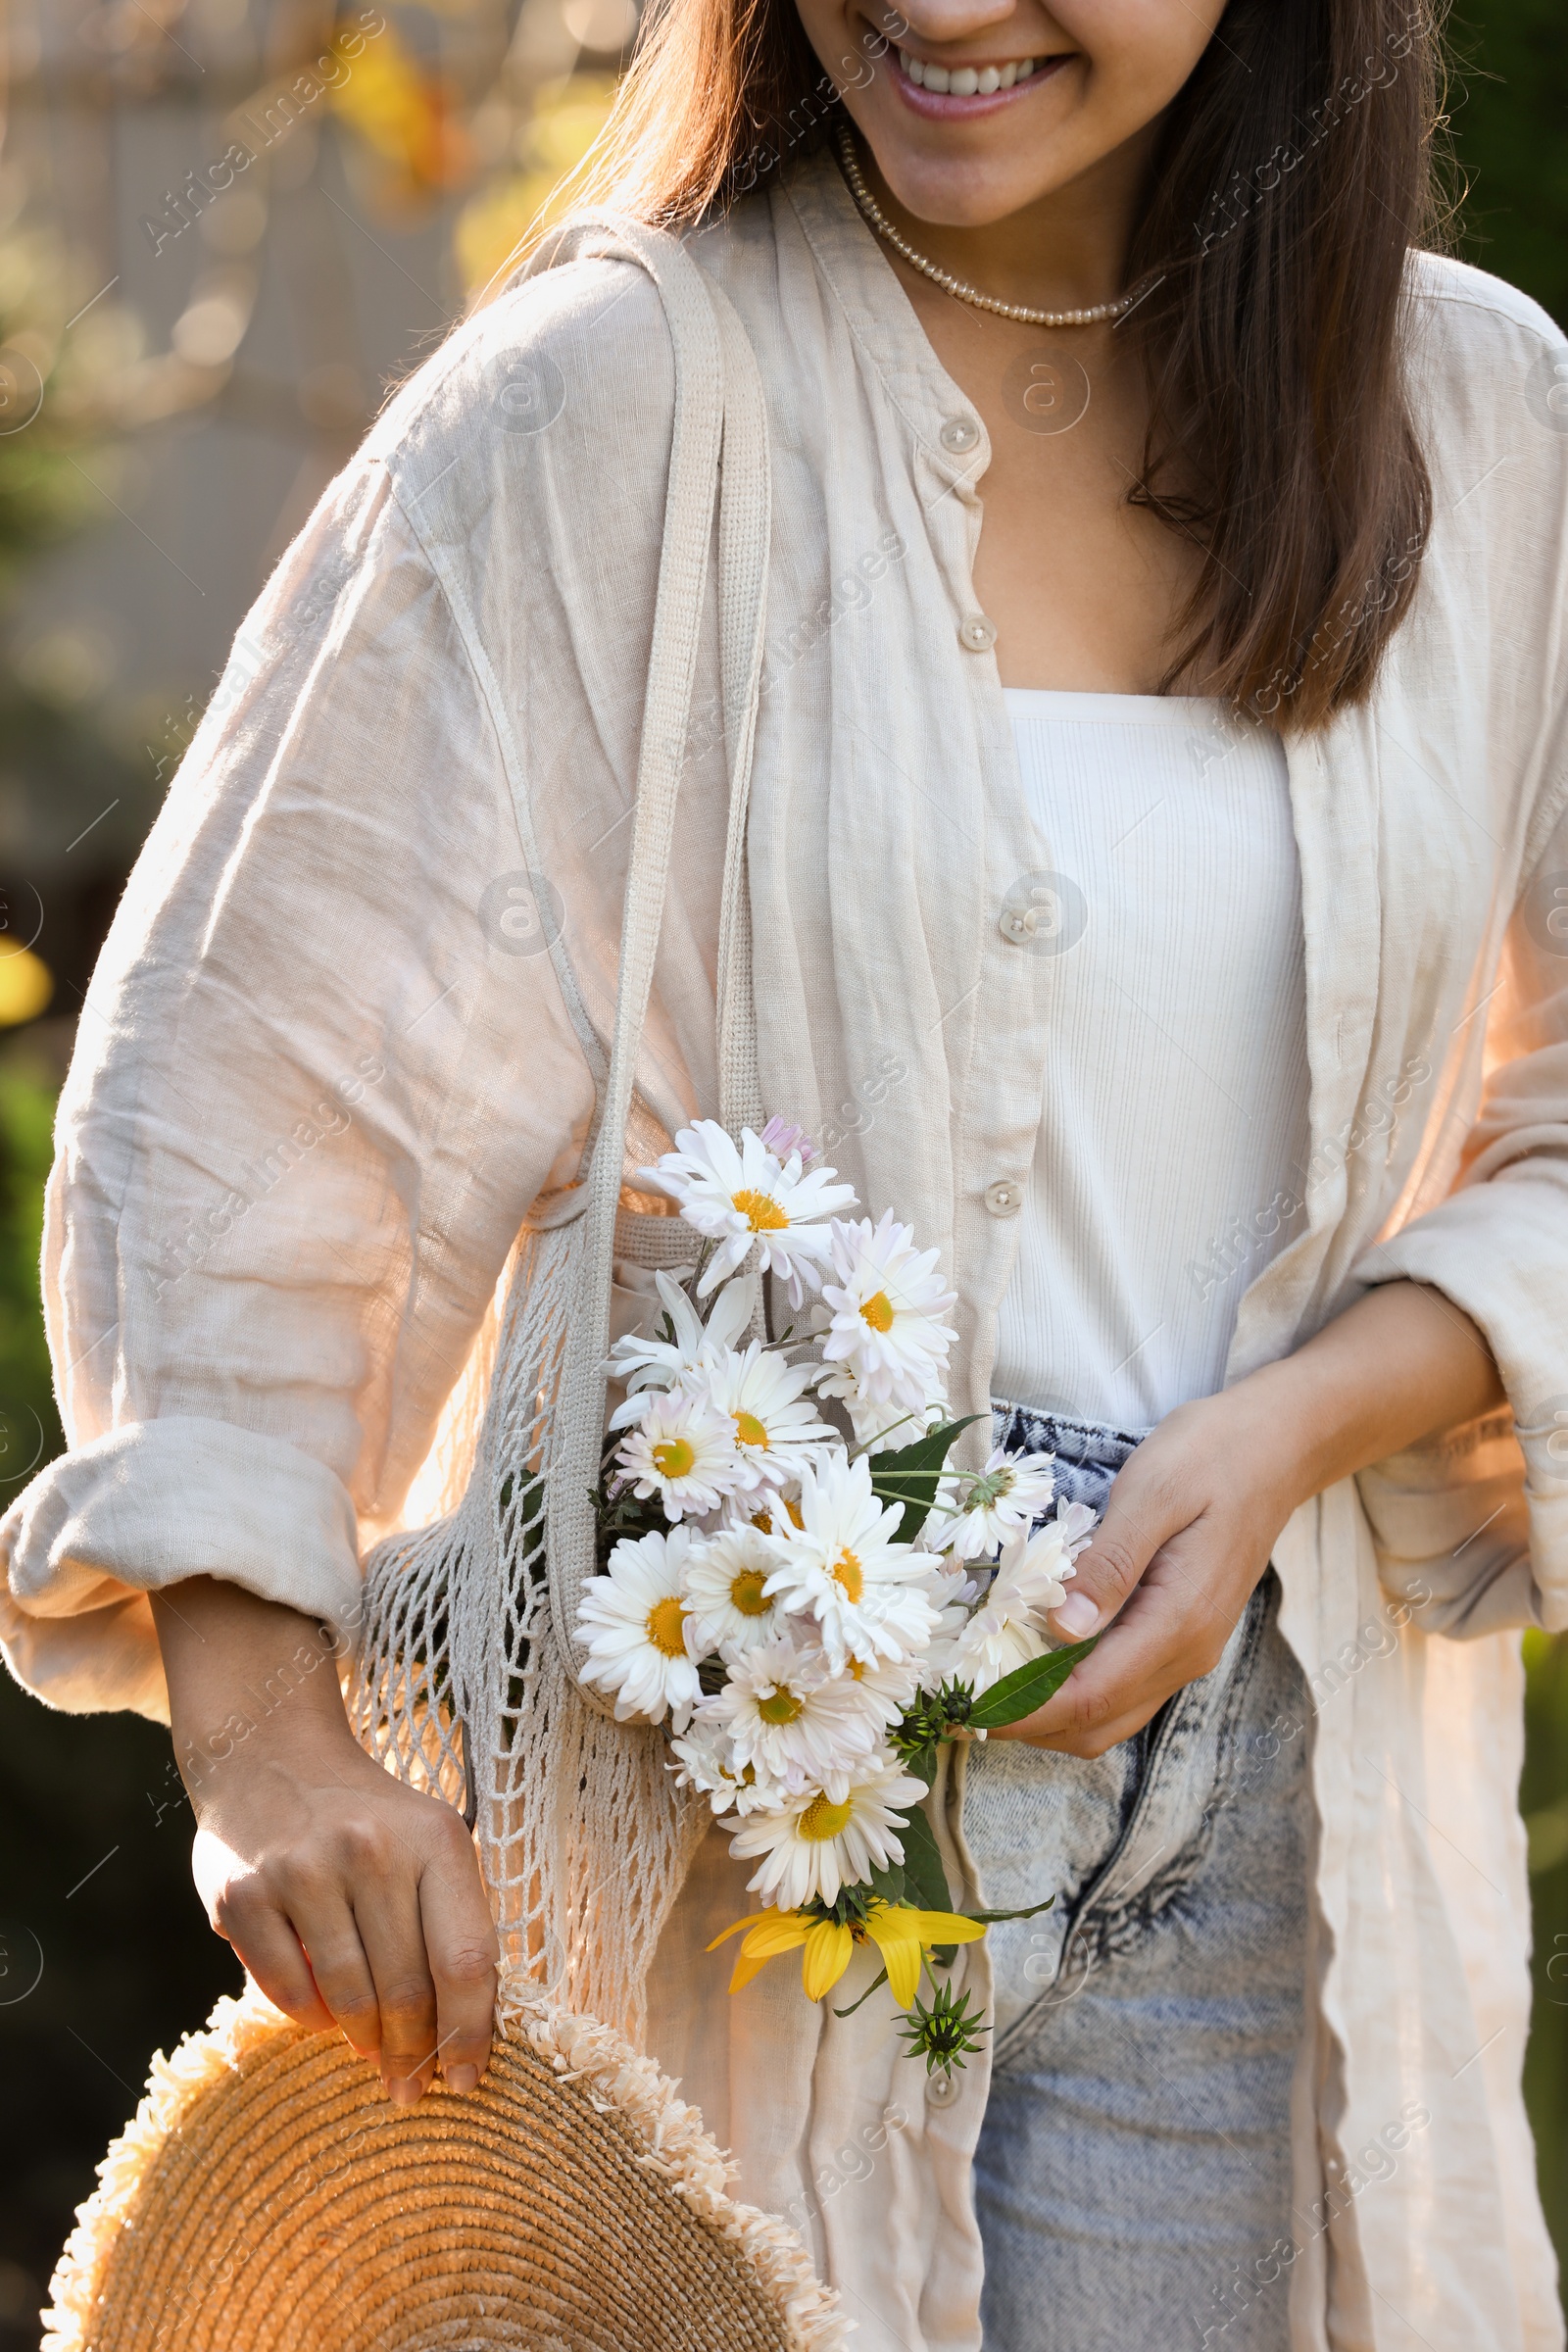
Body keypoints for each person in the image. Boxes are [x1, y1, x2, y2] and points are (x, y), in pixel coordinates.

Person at [4, 0, 1566, 2342]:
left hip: (1281, 1814)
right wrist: (263, 1746)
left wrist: (1295, 1429)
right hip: (722, 1813)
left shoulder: (1482, 417)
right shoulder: (599, 409)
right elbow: (244, 1096)